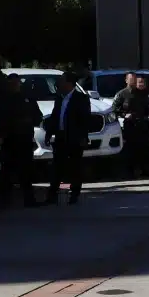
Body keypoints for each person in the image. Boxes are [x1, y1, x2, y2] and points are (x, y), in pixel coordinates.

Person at [45, 69, 90, 204]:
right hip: (60, 137)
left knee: (75, 166)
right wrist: (49, 133)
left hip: (74, 138)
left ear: (69, 83)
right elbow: (55, 117)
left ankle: (74, 193)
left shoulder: (80, 98)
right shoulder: (59, 98)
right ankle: (52, 194)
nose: (59, 84)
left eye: (62, 81)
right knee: (57, 166)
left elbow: (85, 119)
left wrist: (83, 137)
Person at [0, 74, 40, 206]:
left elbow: (37, 116)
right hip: (9, 140)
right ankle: (5, 200)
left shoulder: (27, 98)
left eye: (17, 83)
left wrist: (28, 122)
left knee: (26, 171)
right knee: (7, 172)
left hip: (25, 139)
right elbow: (2, 119)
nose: (15, 85)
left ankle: (29, 199)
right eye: (12, 83)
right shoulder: (4, 99)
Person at [115, 72, 149, 178]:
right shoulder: (122, 94)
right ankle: (130, 171)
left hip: (142, 124)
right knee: (130, 149)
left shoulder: (143, 93)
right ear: (126, 80)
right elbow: (115, 109)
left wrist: (148, 116)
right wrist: (124, 115)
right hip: (130, 125)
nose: (133, 81)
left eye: (134, 79)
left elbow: (148, 108)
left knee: (144, 148)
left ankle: (145, 169)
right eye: (131, 79)